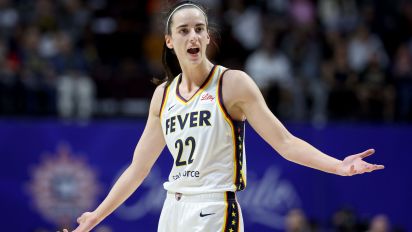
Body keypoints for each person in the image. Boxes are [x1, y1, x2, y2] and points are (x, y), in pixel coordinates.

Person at [61, 1, 384, 232]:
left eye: (199, 29)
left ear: (207, 38)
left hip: (215, 207)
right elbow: (137, 169)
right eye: (184, 30)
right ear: (170, 41)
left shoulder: (233, 83)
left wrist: (338, 166)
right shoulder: (163, 96)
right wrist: (94, 218)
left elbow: (285, 142)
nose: (193, 36)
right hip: (172, 209)